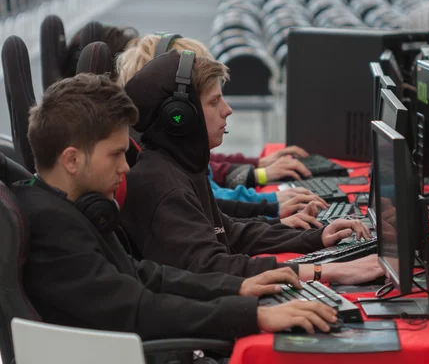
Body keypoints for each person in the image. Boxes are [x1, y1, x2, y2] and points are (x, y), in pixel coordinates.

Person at [12, 73, 340, 339]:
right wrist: (252, 314)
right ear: (72, 159)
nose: (126, 168)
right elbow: (138, 309)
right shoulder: (52, 227)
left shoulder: (77, 208)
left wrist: (238, 286)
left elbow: (142, 275)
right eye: (115, 154)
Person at [120, 50, 384, 284]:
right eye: (214, 102)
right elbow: (213, 266)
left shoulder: (181, 166)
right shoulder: (165, 186)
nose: (228, 110)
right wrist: (326, 272)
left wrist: (315, 237)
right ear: (180, 118)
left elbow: (229, 232)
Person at [117, 34, 318, 189]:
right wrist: (262, 176)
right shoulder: (154, 164)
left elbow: (211, 165)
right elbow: (217, 200)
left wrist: (258, 163)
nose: (227, 109)